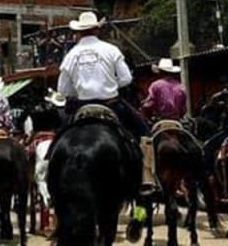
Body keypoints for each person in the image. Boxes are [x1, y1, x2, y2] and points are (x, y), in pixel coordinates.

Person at [56, 11, 154, 194]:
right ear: (97, 30)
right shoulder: (111, 50)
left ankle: (53, 178)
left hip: (81, 106)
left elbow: (62, 90)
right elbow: (126, 79)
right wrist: (109, 85)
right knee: (144, 132)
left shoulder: (71, 55)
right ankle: (146, 179)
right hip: (111, 104)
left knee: (58, 138)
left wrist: (79, 90)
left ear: (78, 33)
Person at [140, 58, 187, 122]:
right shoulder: (181, 87)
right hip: (176, 119)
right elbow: (183, 110)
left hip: (161, 119)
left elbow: (148, 106)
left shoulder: (155, 85)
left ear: (160, 72)